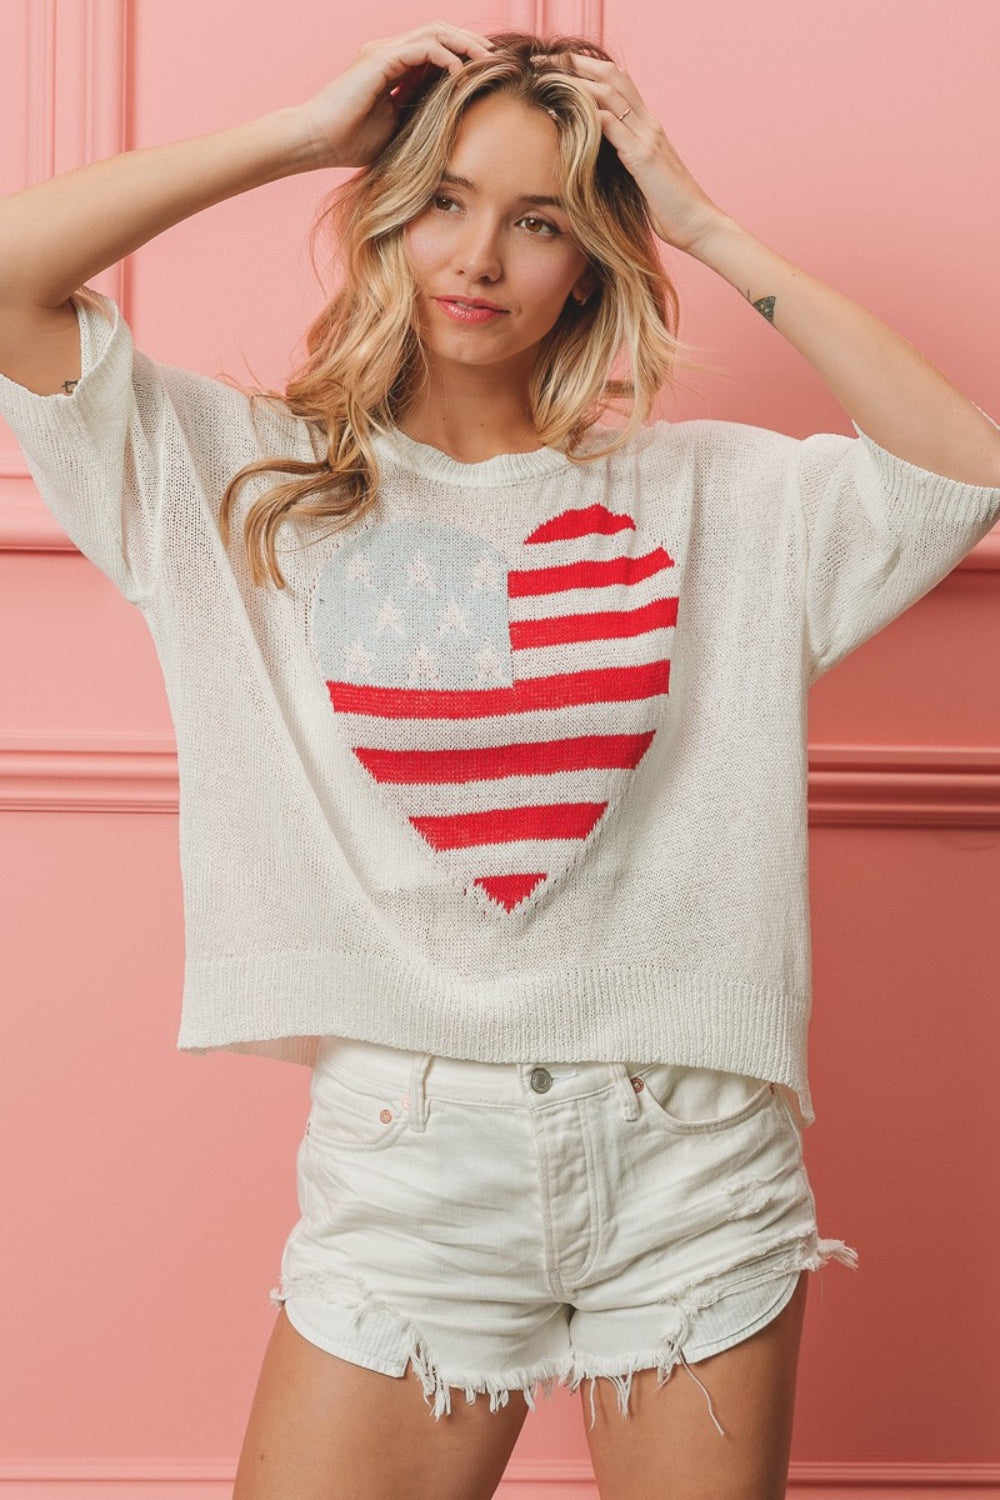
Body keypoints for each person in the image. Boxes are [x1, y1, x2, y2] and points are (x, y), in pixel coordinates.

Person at [1, 19, 998, 1500]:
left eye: (540, 222)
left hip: (693, 1156)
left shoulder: (713, 497)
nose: (478, 258)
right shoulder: (241, 483)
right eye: (443, 202)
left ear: (593, 257)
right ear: (385, 219)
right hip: (410, 1162)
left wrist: (705, 219)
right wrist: (299, 134)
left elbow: (960, 468)